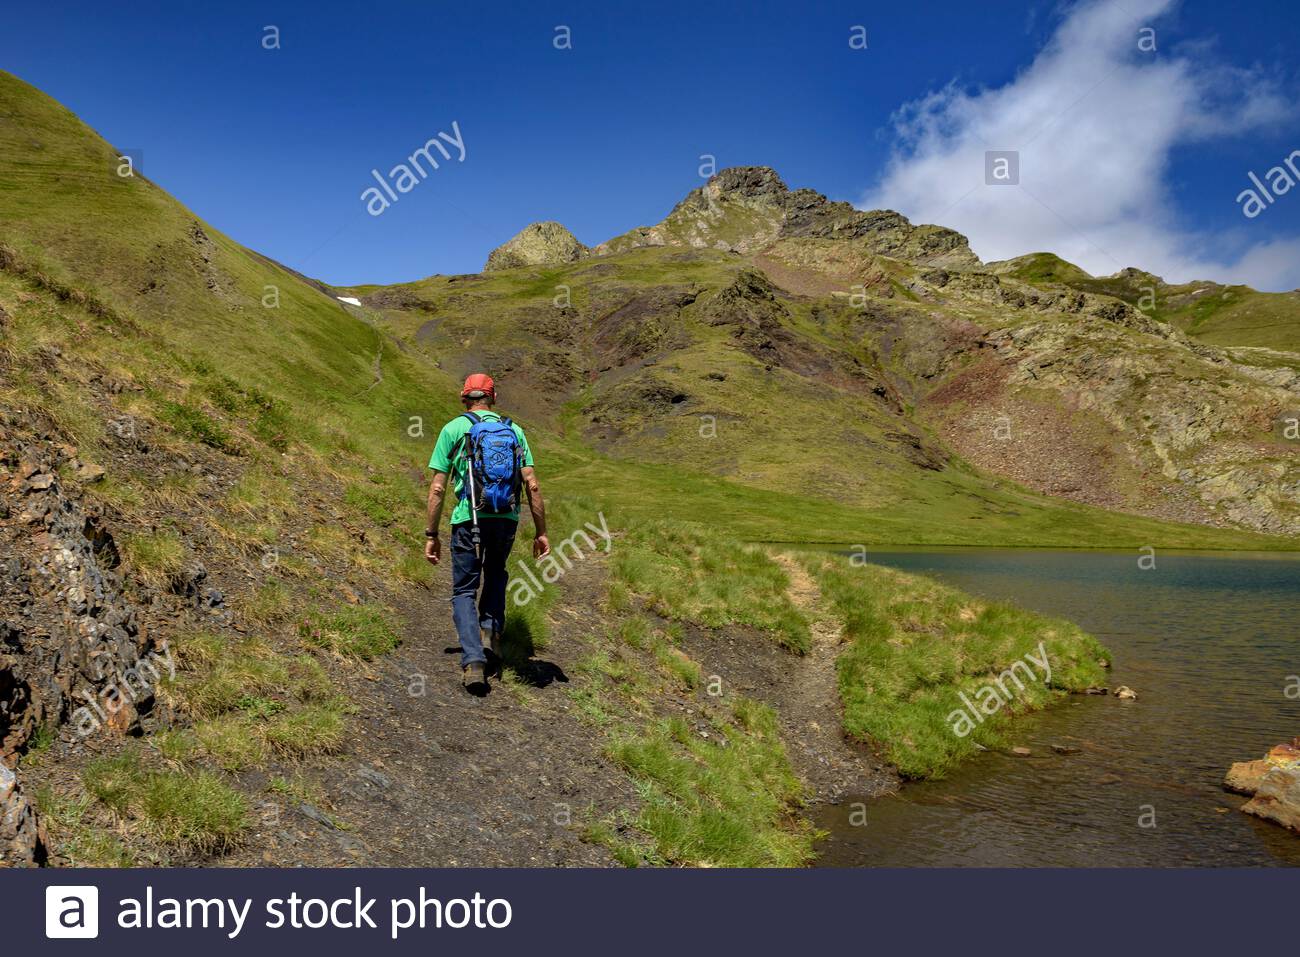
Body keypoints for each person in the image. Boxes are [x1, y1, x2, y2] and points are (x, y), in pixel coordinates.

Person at [424, 373, 549, 693]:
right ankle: (490, 636)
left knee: (465, 589)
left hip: (468, 518)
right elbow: (532, 484)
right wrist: (541, 532)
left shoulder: (453, 429)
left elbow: (437, 489)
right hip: (506, 518)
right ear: (493, 398)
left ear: (464, 397)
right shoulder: (514, 431)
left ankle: (474, 661)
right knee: (495, 575)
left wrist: (431, 533)